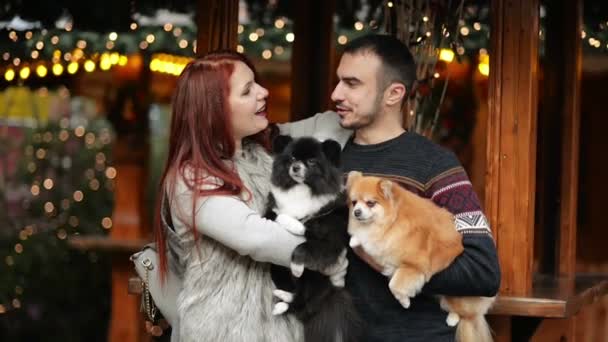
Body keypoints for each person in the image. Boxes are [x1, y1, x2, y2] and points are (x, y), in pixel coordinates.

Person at [280, 34, 501, 341]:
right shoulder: (325, 160)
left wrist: (390, 262)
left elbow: (483, 271)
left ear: (393, 94)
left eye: (352, 83)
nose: (336, 93)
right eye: (338, 81)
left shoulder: (435, 164)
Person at [144, 50, 347, 342]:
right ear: (215, 109)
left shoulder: (265, 156)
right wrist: (324, 255)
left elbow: (329, 125)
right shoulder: (190, 178)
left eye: (257, 83)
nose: (263, 92)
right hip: (220, 333)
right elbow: (255, 237)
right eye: (247, 90)